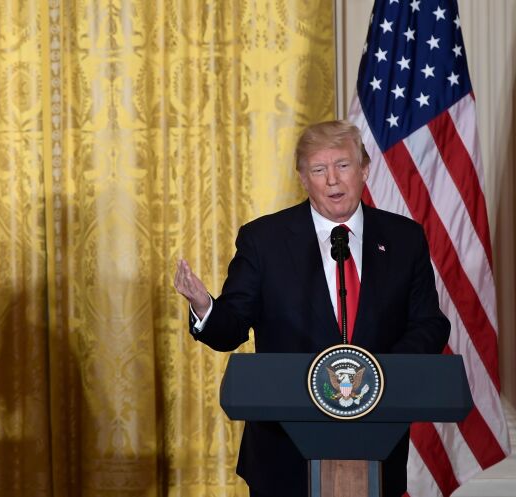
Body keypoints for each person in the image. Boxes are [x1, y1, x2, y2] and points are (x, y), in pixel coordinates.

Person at [174, 120, 450, 497]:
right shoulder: (264, 240)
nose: (332, 180)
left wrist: (377, 374)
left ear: (364, 169)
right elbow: (232, 328)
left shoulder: (404, 237)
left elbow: (429, 324)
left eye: (343, 165)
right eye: (319, 169)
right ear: (304, 178)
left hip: (377, 440)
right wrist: (204, 306)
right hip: (283, 450)